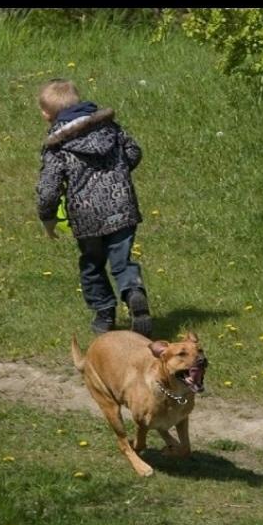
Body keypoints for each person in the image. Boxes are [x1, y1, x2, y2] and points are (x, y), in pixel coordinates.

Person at [36, 79, 152, 335]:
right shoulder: (108, 127)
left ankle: (104, 316)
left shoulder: (56, 145)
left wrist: (48, 218)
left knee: (92, 264)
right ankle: (133, 291)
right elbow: (133, 152)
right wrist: (119, 173)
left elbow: (49, 188)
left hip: (86, 216)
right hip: (122, 207)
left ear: (46, 114)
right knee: (121, 261)